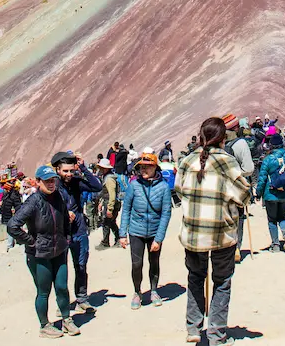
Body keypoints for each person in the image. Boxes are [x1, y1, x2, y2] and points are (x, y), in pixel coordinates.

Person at [176, 117, 251, 345]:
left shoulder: (187, 161)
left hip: (193, 233)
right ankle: (217, 334)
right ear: (222, 138)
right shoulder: (227, 162)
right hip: (222, 234)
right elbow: (244, 195)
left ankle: (193, 328)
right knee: (222, 281)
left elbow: (179, 191)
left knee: (195, 278)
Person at [7, 165, 80, 338]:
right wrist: (31, 242)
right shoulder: (33, 202)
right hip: (39, 256)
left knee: (62, 287)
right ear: (38, 182)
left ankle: (66, 320)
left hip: (59, 251)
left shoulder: (59, 197)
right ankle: (44, 326)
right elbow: (12, 226)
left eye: (53, 180)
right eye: (46, 181)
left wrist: (66, 237)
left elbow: (64, 219)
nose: (51, 184)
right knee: (44, 291)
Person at [120, 151, 172, 310]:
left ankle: (154, 290)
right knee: (137, 263)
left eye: (148, 167)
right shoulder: (134, 186)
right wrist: (122, 233)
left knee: (154, 262)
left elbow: (166, 213)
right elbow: (126, 209)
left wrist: (159, 238)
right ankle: (137, 292)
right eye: (142, 167)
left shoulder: (163, 188)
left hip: (154, 232)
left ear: (155, 167)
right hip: (136, 231)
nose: (144, 170)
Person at [52, 150, 102, 312]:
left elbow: (96, 186)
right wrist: (64, 215)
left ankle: (82, 298)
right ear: (58, 170)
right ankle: (63, 303)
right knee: (61, 270)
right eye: (65, 171)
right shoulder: (53, 186)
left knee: (80, 266)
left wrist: (83, 168)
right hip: (61, 234)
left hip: (79, 231)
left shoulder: (76, 182)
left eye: (71, 170)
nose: (68, 174)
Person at [257, 134, 285, 252]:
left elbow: (262, 178)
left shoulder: (268, 159)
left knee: (272, 219)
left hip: (271, 194)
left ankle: (275, 245)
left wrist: (258, 193)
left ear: (271, 145)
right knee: (282, 216)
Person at [223, 114, 255, 263]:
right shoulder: (241, 143)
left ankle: (224, 247)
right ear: (236, 127)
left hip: (221, 189)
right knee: (238, 218)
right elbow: (249, 168)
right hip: (236, 189)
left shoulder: (219, 144)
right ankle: (236, 247)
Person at [96, 159, 121, 249]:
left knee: (108, 222)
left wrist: (110, 209)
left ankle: (113, 240)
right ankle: (109, 241)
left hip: (111, 204)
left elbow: (112, 195)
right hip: (108, 203)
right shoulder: (106, 177)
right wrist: (101, 203)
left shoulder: (109, 179)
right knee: (108, 223)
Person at [0, 183, 23, 252]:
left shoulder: (13, 196)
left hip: (12, 216)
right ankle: (14, 243)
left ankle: (11, 245)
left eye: (5, 189)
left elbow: (17, 206)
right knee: (11, 229)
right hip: (7, 215)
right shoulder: (7, 195)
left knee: (12, 230)